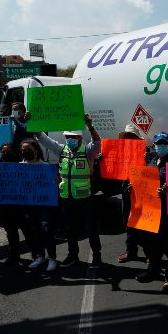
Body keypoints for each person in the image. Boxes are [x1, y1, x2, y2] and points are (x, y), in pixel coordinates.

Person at [35, 114, 103, 268]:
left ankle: (96, 255)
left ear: (79, 138)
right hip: (66, 197)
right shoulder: (62, 150)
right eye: (67, 136)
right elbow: (44, 139)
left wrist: (90, 126)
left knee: (90, 228)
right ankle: (73, 255)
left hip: (84, 198)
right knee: (69, 228)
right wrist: (33, 123)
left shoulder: (88, 151)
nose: (69, 139)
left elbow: (97, 142)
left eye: (72, 136)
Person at [134, 131, 168, 290]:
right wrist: (134, 187)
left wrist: (167, 192)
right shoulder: (151, 161)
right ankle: (153, 271)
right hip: (151, 212)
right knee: (150, 243)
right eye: (158, 143)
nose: (161, 146)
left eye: (164, 143)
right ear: (154, 145)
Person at [18, 138, 59, 271]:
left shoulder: (45, 166)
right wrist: (1, 176)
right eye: (23, 150)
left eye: (28, 149)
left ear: (36, 150)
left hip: (44, 204)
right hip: (27, 205)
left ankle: (52, 258)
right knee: (33, 231)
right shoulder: (18, 167)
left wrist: (56, 180)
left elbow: (54, 185)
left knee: (46, 229)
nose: (25, 152)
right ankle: (40, 256)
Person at [0, 143, 34, 263]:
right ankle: (14, 255)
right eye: (3, 152)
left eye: (8, 151)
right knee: (11, 232)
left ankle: (36, 254)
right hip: (6, 205)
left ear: (13, 152)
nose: (5, 154)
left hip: (21, 204)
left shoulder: (21, 163)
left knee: (27, 230)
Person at [117, 123, 146, 263]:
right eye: (127, 136)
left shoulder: (145, 153)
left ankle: (149, 254)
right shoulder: (122, 152)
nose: (129, 139)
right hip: (126, 191)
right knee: (129, 223)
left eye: (131, 136)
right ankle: (131, 252)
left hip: (141, 192)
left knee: (143, 224)